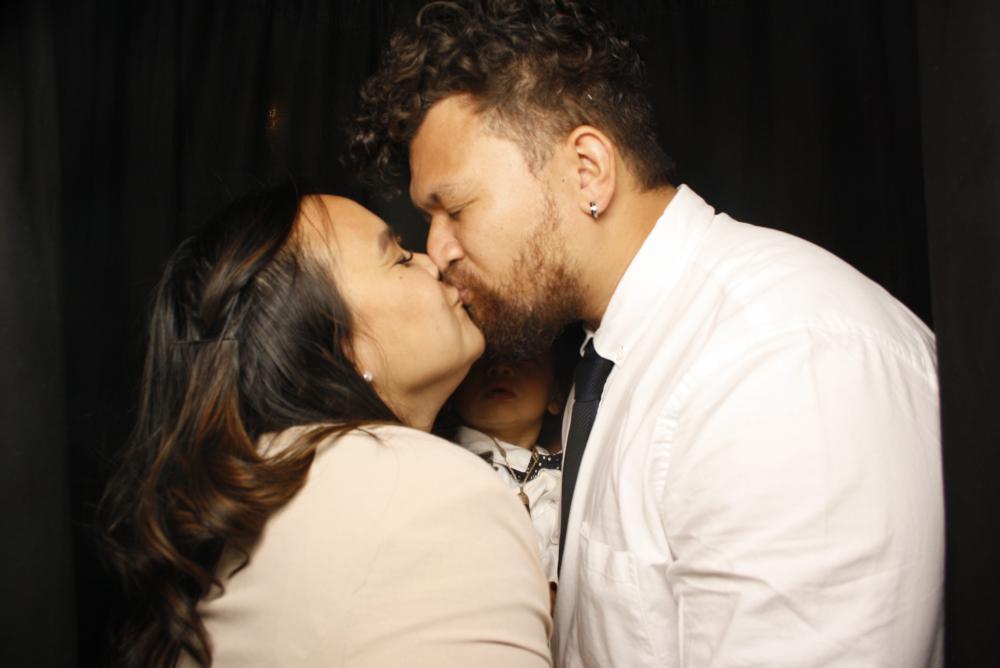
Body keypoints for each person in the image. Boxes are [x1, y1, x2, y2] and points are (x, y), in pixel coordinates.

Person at [349, 1, 945, 666]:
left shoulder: (784, 361)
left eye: (456, 208)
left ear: (588, 171)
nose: (437, 251)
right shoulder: (613, 355)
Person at [98, 184, 552, 668]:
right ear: (337, 346)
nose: (432, 261)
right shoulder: (429, 492)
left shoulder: (268, 477)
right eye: (399, 259)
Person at [451, 351, 566, 585]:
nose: (500, 368)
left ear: (555, 395)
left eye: (523, 357)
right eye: (482, 359)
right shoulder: (442, 470)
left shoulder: (573, 476)